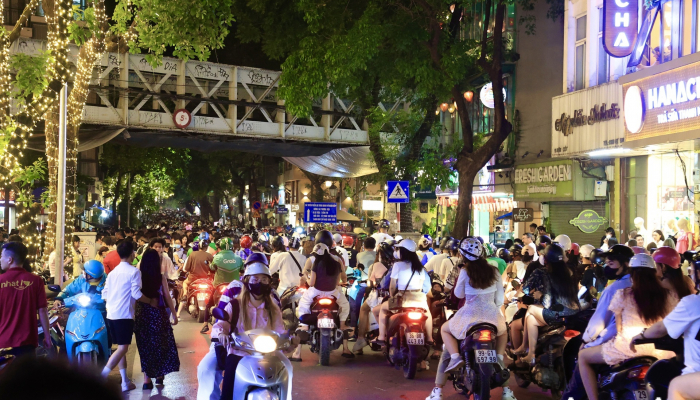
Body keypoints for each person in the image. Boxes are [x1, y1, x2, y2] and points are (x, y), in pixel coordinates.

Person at [578, 253, 678, 400]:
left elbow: (619, 329)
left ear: (632, 273)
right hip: (661, 352)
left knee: (583, 357)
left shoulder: (623, 294)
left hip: (629, 348)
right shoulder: (669, 295)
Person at [426, 237, 516, 400]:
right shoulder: (494, 271)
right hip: (491, 315)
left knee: (445, 330)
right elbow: (499, 300)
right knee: (503, 332)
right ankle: (501, 365)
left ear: (462, 254)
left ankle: (449, 368)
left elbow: (459, 294)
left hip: (469, 315)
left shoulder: (465, 271)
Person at [562, 245, 634, 399]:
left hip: (618, 341)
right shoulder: (650, 288)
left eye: (611, 264)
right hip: (648, 344)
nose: (607, 267)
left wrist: (586, 340)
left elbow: (599, 323)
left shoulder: (616, 289)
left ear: (627, 264)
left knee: (583, 356)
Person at [213, 259, 292, 400]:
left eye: (263, 279)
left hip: (268, 355)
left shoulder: (273, 308)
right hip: (239, 353)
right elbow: (220, 326)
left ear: (269, 283)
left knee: (288, 371)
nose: (259, 283)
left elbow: (280, 332)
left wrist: (290, 340)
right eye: (255, 279)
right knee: (229, 380)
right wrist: (222, 334)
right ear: (247, 281)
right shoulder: (235, 305)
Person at [100, 241, 159, 392]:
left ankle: (125, 382)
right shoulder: (134, 272)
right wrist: (150, 301)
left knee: (120, 347)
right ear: (132, 253)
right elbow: (136, 294)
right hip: (124, 314)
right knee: (122, 348)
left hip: (111, 313)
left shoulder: (113, 273)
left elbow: (104, 293)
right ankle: (101, 377)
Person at [512, 244, 580, 365]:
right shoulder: (570, 271)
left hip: (556, 313)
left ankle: (528, 350)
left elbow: (544, 300)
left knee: (531, 309)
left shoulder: (543, 272)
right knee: (531, 319)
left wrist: (539, 295)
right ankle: (529, 353)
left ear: (546, 259)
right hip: (574, 313)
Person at [629, 287, 700, 400]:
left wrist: (640, 336)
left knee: (676, 386)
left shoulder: (694, 302)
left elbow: (661, 328)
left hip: (695, 372)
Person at [297, 230, 354, 357]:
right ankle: (344, 336)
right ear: (331, 243)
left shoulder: (313, 260)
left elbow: (308, 281)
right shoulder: (337, 259)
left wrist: (304, 280)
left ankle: (304, 326)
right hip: (333, 292)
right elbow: (342, 278)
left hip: (315, 292)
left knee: (303, 304)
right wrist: (339, 282)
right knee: (345, 305)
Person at [375, 239, 433, 356]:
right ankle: (430, 338)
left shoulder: (397, 265)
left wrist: (392, 297)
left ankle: (381, 336)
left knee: (382, 309)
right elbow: (422, 287)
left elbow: (391, 286)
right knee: (427, 313)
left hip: (403, 299)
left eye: (398, 249)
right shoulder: (420, 267)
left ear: (403, 251)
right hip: (419, 298)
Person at [133, 249, 179, 390]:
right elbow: (167, 296)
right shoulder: (160, 278)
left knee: (145, 346)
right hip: (158, 314)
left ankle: (147, 379)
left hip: (142, 315)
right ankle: (159, 375)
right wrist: (174, 314)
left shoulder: (138, 276)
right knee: (160, 344)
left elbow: (134, 296)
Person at [0, 242, 51, 359]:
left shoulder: (1, 281)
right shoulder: (36, 281)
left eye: (1, 256)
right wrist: (47, 337)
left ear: (10, 259)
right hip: (27, 342)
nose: (0, 259)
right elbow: (43, 311)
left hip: (3, 342)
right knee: (25, 376)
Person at [178, 239, 215, 332]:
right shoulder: (210, 256)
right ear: (206, 247)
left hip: (193, 279)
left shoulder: (192, 254)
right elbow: (214, 268)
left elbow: (186, 268)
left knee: (185, 283)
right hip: (207, 279)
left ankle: (185, 295)